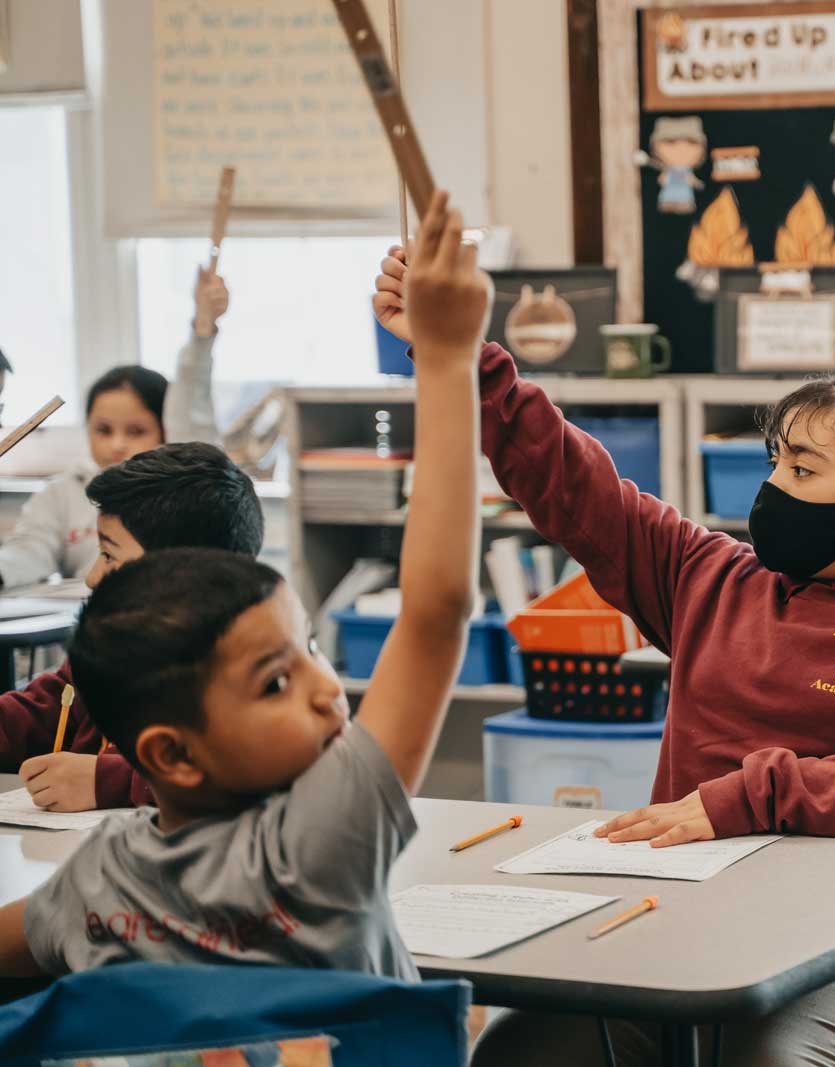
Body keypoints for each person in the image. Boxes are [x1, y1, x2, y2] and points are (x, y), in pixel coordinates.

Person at [373, 247, 835, 1066]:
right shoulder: (710, 576)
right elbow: (572, 483)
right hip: (680, 918)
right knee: (518, 1053)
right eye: (775, 462)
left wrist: (757, 792)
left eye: (803, 468)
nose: (774, 487)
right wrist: (460, 353)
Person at [0, 189, 486, 979]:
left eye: (307, 654)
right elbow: (434, 609)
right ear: (172, 756)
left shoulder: (95, 884)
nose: (328, 692)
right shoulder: (321, 843)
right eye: (274, 680)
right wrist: (449, 357)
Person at [0, 441, 264, 812]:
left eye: (109, 555)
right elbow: (33, 715)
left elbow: (243, 770)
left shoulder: (246, 668)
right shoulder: (108, 649)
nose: (92, 578)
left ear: (183, 575)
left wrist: (104, 782)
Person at [0, 269, 228, 589]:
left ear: (166, 432)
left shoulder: (185, 493)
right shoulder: (61, 495)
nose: (117, 445)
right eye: (103, 430)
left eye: (136, 431)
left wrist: (202, 333)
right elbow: (28, 551)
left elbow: (193, 407)